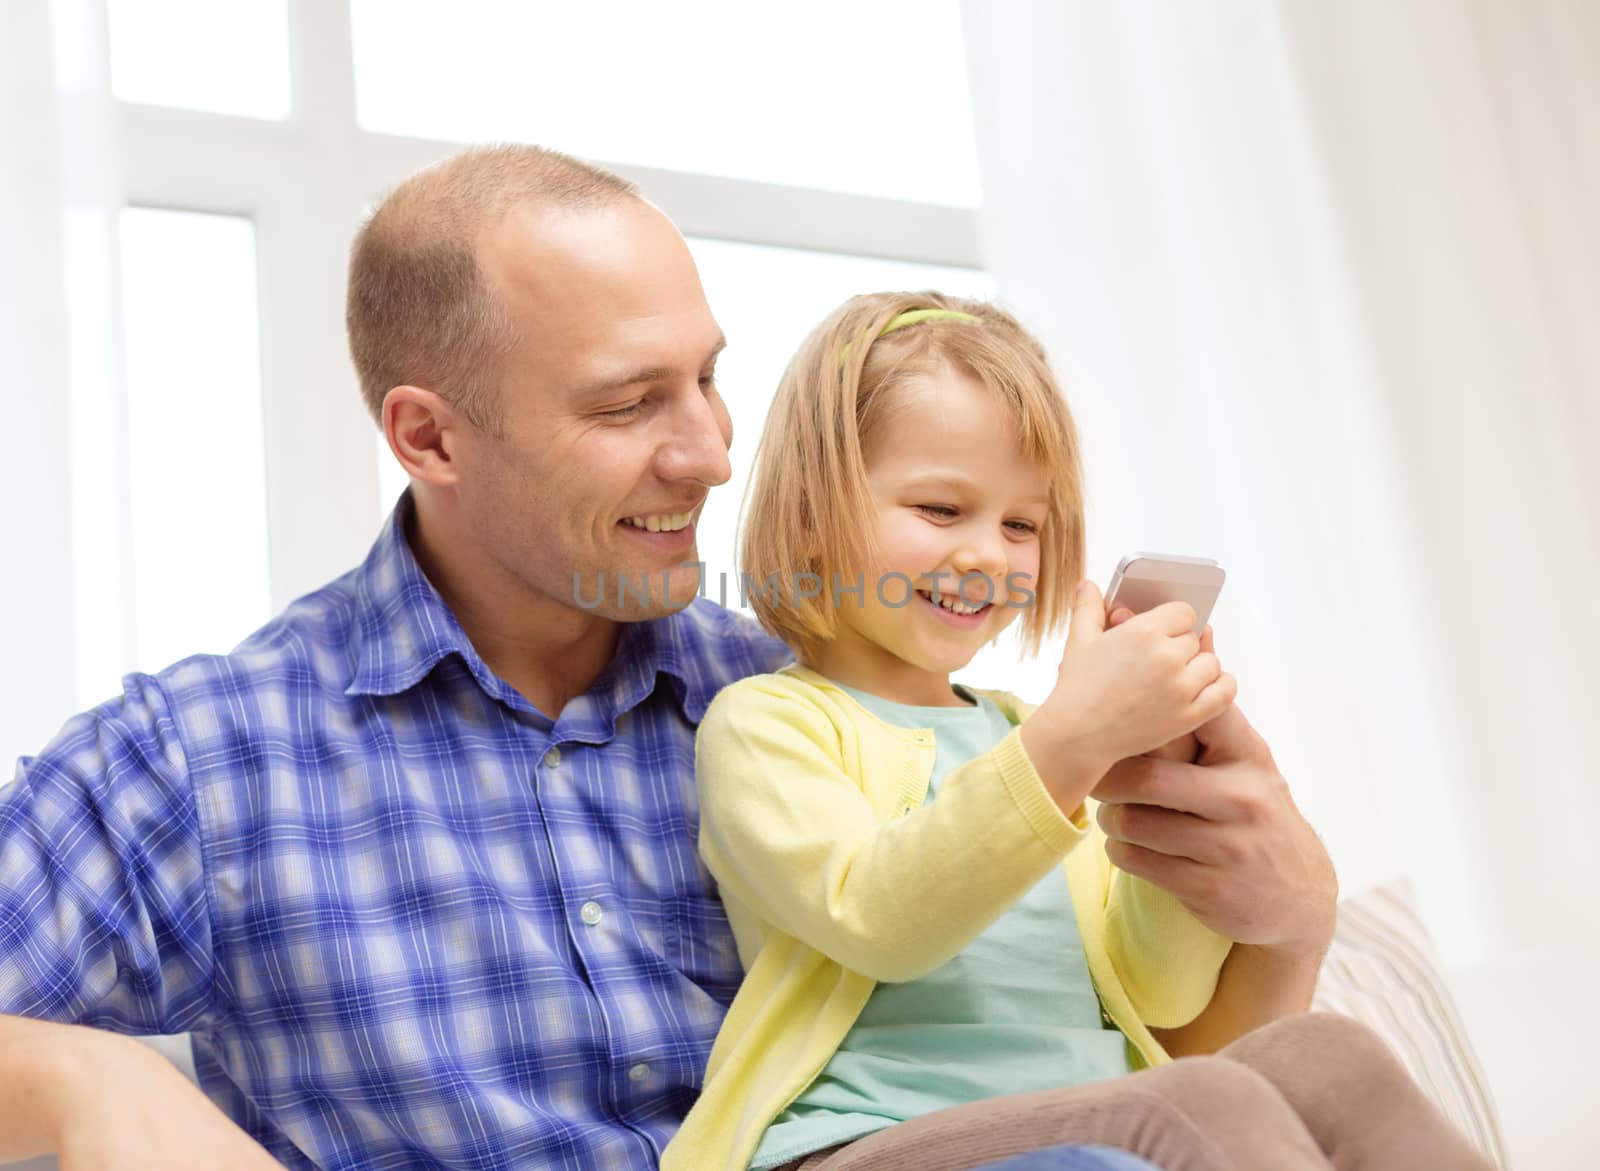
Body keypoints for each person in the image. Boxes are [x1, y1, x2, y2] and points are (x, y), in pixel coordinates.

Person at [1, 144, 1331, 1170]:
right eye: (631, 401)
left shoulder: (811, 695)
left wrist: (1286, 914)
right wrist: (84, 1076)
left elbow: (1120, 1079)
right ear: (431, 439)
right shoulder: (210, 759)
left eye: (707, 378)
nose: (710, 450)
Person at [661, 293, 1493, 1171]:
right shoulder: (768, 723)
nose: (989, 552)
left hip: (1087, 1119)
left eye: (1021, 523)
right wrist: (1070, 746)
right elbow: (880, 917)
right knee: (1195, 1102)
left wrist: (1151, 789)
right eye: (943, 509)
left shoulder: (1026, 737)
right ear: (816, 508)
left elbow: (1158, 989)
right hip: (862, 1142)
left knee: (1331, 1055)